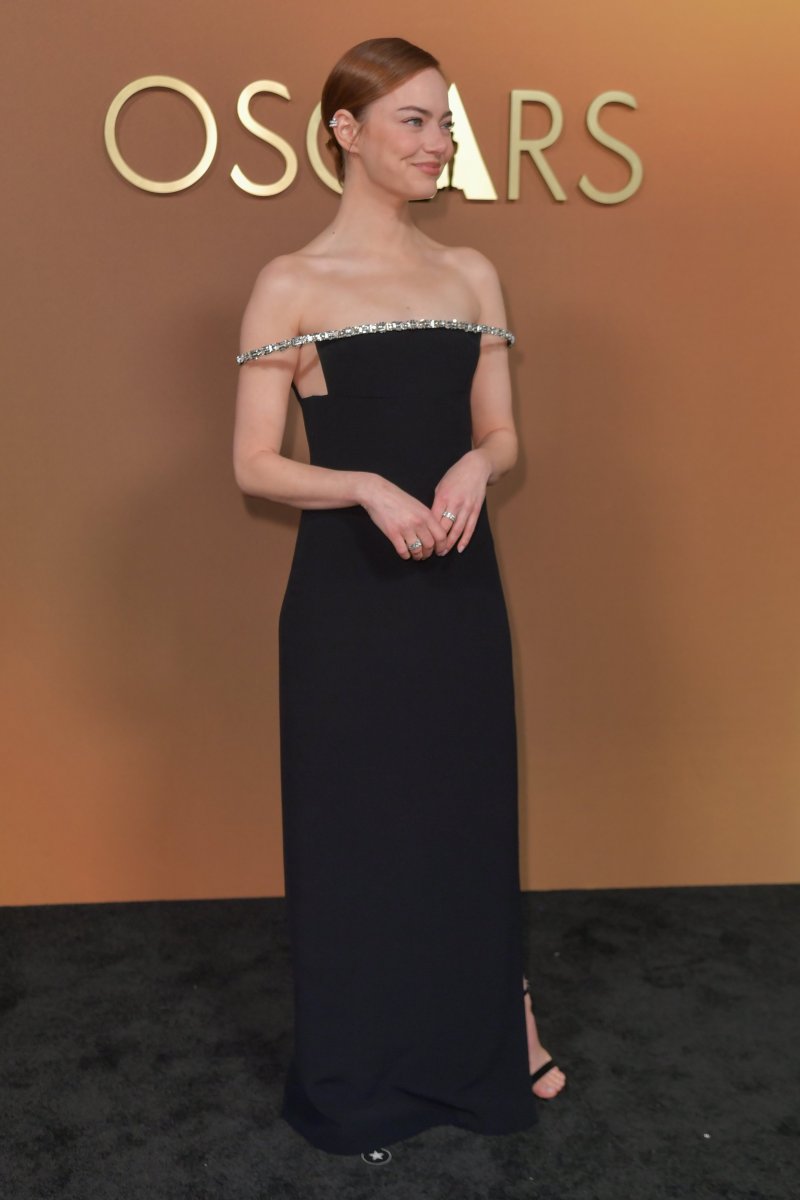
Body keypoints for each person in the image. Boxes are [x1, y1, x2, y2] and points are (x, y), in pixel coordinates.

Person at [232, 36, 565, 1162]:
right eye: (414, 120)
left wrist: (477, 464)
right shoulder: (290, 282)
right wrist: (366, 485)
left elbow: (501, 432)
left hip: (458, 591)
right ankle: (365, 1065)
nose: (438, 142)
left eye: (444, 122)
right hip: (347, 604)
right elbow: (254, 465)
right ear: (346, 130)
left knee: (462, 817)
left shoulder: (470, 272)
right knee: (359, 832)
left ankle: (494, 1029)